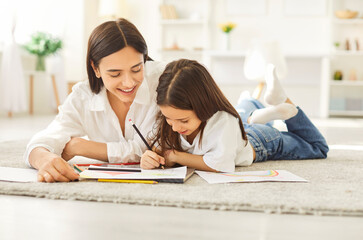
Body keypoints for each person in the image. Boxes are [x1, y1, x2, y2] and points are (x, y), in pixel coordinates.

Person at [25, 18, 166, 182]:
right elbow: (44, 140)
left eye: (136, 69)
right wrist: (44, 159)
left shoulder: (163, 82)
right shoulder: (84, 96)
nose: (129, 83)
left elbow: (150, 148)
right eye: (115, 74)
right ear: (95, 68)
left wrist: (80, 146)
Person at [140, 59, 329, 172]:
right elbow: (161, 146)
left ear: (203, 105)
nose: (174, 127)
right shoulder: (172, 112)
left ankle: (282, 100)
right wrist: (152, 155)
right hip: (237, 131)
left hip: (261, 141)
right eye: (168, 118)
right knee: (241, 110)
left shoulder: (223, 121)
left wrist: (175, 156)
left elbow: (221, 165)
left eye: (183, 121)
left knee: (318, 147)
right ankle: (251, 112)